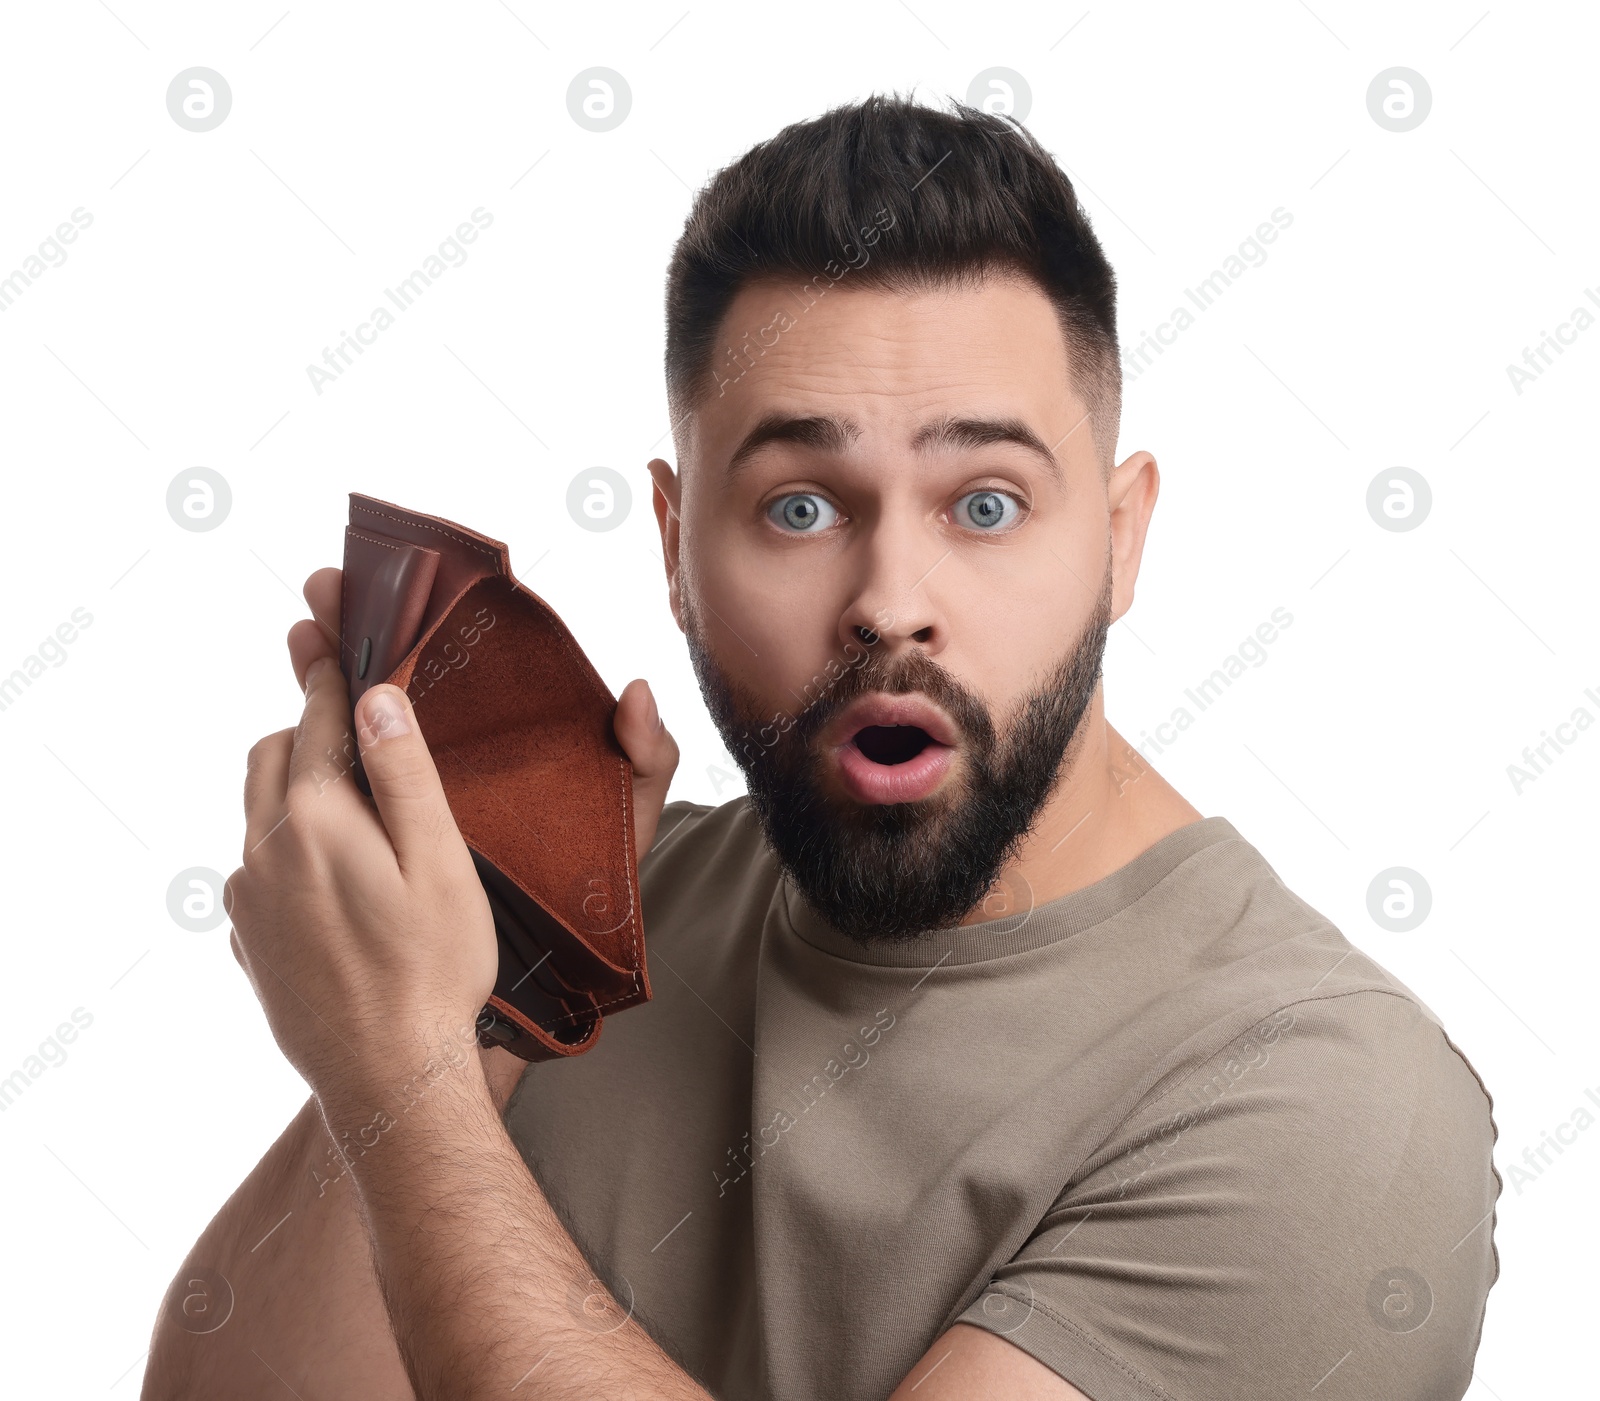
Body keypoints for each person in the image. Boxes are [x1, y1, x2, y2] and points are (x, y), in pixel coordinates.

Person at [144, 95, 1499, 1401]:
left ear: (1121, 537)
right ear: (676, 548)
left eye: (985, 500)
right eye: (798, 505)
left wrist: (406, 1083)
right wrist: (492, 1000)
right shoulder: (612, 912)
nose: (889, 598)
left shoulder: (1328, 1102)